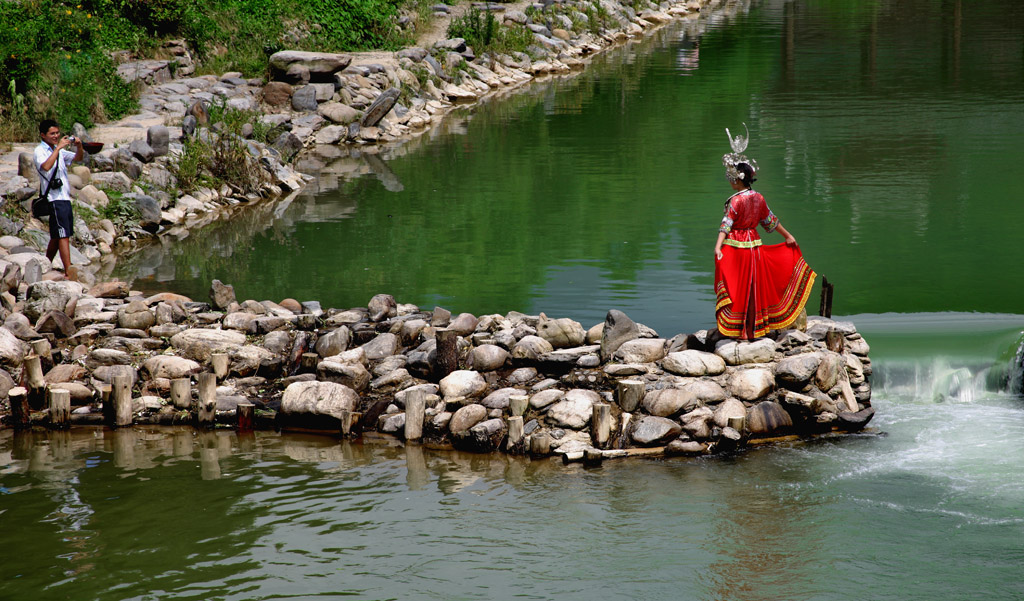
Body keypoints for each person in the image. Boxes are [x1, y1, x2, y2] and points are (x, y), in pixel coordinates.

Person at [712, 125, 816, 340]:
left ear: (738, 179)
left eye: (731, 177)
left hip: (737, 246)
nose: (729, 180)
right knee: (754, 287)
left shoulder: (736, 200)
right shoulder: (758, 198)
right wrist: (787, 236)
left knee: (737, 287)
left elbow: (726, 224)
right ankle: (756, 327)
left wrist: (718, 246)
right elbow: (770, 221)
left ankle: (739, 328)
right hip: (755, 246)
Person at [33, 119, 83, 281]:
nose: (56, 136)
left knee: (57, 234)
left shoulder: (58, 150)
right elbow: (45, 167)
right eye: (52, 134)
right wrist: (59, 148)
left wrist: (79, 145)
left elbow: (77, 158)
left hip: (64, 197)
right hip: (54, 199)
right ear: (43, 135)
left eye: (57, 133)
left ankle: (45, 263)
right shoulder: (40, 151)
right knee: (63, 235)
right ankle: (69, 271)